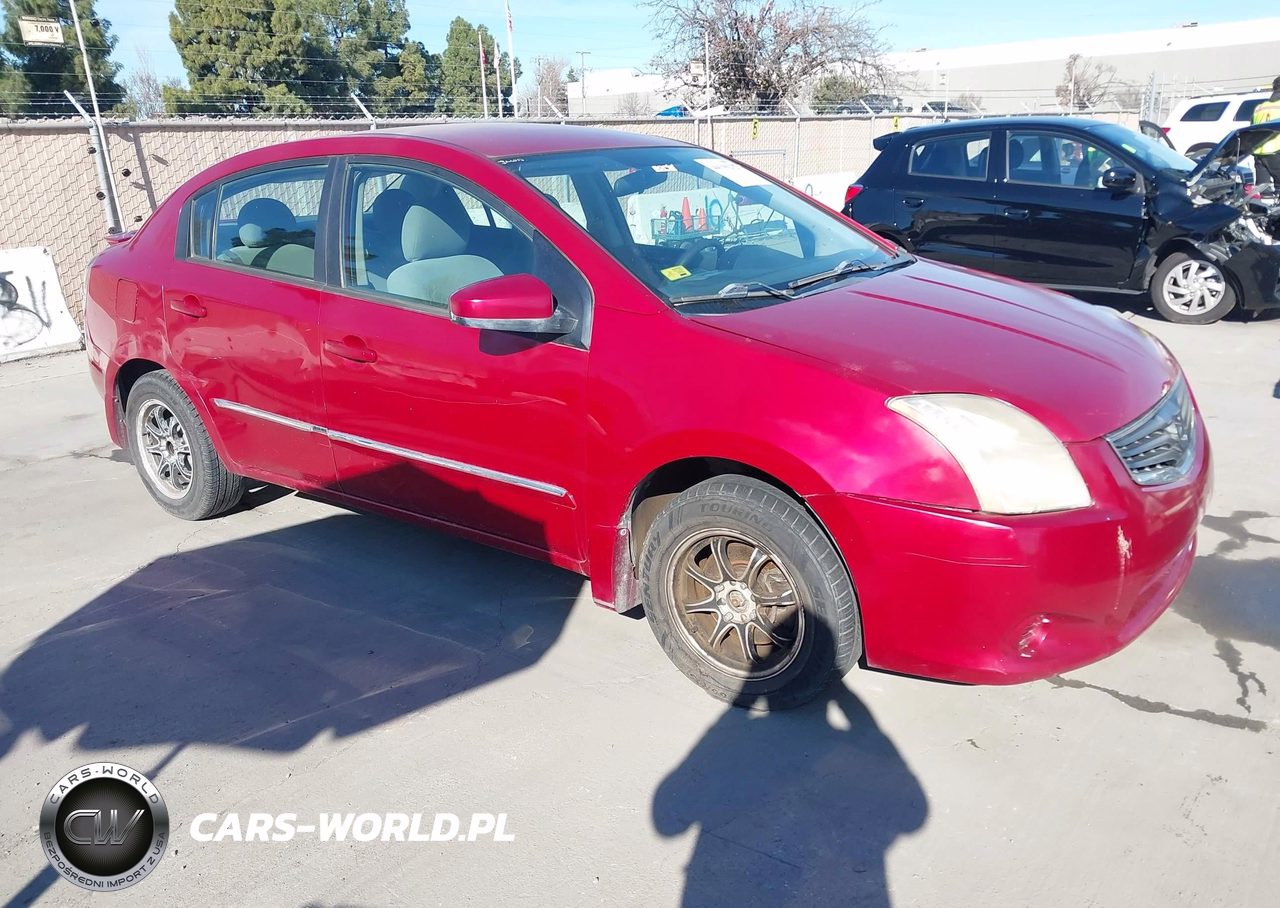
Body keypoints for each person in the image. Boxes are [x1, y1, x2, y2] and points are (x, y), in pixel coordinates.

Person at [1252, 76, 1280, 188]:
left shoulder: (1260, 107)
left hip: (1259, 153)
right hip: (1277, 152)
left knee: (1262, 192)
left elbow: (1252, 129)